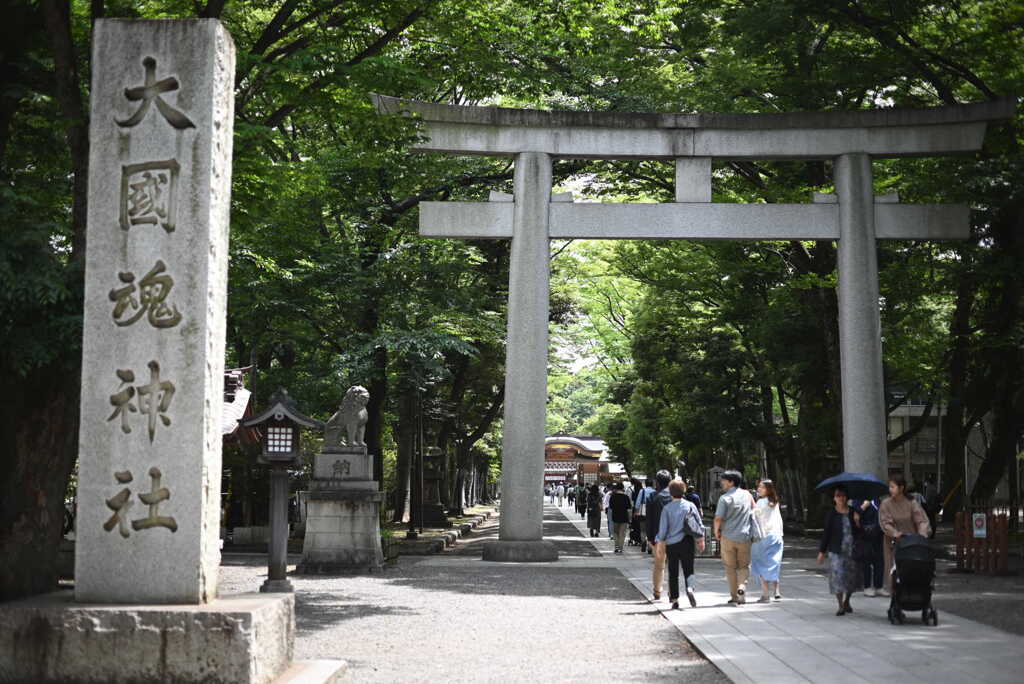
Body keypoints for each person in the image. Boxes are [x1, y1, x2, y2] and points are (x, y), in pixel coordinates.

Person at [656, 479, 706, 609]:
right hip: (688, 541)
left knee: (673, 572)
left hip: (672, 544)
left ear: (671, 493)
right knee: (689, 568)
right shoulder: (690, 505)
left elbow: (662, 530)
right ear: (684, 490)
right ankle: (690, 587)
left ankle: (674, 599)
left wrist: (660, 545)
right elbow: (699, 524)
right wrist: (701, 540)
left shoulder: (667, 508)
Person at [879, 473, 931, 594]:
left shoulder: (911, 503)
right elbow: (885, 523)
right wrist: (895, 533)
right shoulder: (886, 503)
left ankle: (912, 592)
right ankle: (894, 593)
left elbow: (922, 520)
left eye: (893, 487)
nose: (890, 489)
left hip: (911, 542)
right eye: (889, 487)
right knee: (894, 569)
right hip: (893, 542)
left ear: (901, 488)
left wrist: (922, 534)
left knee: (911, 567)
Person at [817, 486, 862, 615]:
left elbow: (860, 532)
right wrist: (821, 552)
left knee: (851, 578)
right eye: (838, 496)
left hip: (852, 549)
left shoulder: (854, 511)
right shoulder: (831, 513)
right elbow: (827, 533)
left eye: (843, 496)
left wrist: (858, 522)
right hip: (836, 550)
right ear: (834, 498)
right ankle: (840, 605)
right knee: (837, 577)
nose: (841, 498)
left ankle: (847, 600)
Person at [714, 470, 754, 606]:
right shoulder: (748, 495)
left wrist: (716, 532)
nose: (721, 483)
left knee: (730, 567)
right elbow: (755, 511)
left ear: (731, 482)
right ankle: (741, 587)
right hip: (745, 536)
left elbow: (718, 518)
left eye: (724, 480)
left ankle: (734, 596)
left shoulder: (724, 498)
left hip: (727, 537)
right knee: (744, 566)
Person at [751, 479, 784, 602]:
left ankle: (765, 594)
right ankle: (777, 591)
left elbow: (755, 519)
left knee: (761, 564)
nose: (759, 489)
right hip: (777, 536)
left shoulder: (760, 502)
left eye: (762, 487)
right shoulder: (775, 502)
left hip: (764, 537)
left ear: (768, 489)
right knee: (774, 563)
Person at [645, 470, 673, 599]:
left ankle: (657, 590)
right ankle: (673, 592)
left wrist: (650, 537)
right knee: (673, 566)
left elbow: (649, 519)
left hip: (658, 536)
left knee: (659, 565)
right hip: (675, 536)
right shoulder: (676, 496)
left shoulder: (652, 497)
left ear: (657, 481)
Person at [855, 498, 884, 596]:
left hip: (878, 534)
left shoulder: (877, 500)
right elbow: (855, 516)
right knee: (866, 561)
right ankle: (867, 586)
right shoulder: (858, 500)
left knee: (879, 560)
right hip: (865, 535)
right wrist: (863, 507)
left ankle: (878, 586)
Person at [608, 482, 632, 553]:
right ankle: (621, 547)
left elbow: (611, 507)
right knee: (622, 533)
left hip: (615, 516)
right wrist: (630, 518)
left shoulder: (613, 496)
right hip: (624, 517)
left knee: (615, 532)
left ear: (616, 488)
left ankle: (616, 546)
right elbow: (629, 509)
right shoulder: (626, 497)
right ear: (623, 488)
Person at [633, 478, 656, 549]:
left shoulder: (642, 491)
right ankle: (650, 547)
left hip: (643, 512)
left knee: (642, 529)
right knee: (651, 530)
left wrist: (636, 512)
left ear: (645, 484)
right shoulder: (655, 491)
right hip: (652, 513)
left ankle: (643, 541)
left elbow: (637, 503)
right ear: (652, 484)